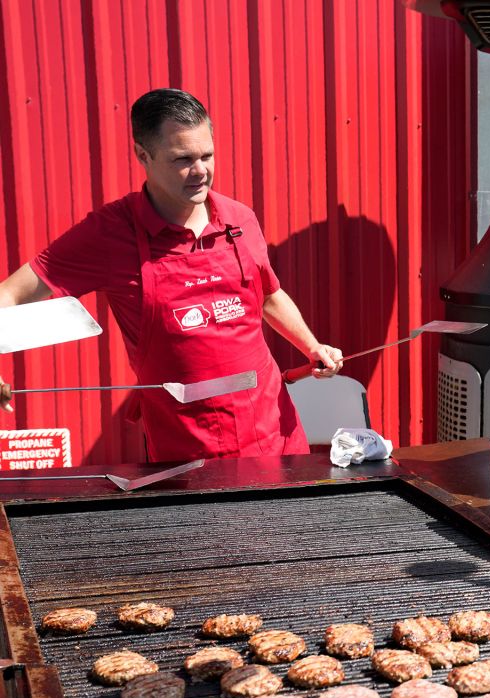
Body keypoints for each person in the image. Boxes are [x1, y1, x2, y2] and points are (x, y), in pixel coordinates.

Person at [0, 89, 341, 462]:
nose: (201, 172)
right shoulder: (110, 233)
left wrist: (311, 346)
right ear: (142, 155)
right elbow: (12, 293)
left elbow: (269, 294)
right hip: (187, 451)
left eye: (207, 156)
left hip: (275, 433)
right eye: (182, 159)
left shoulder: (239, 218)